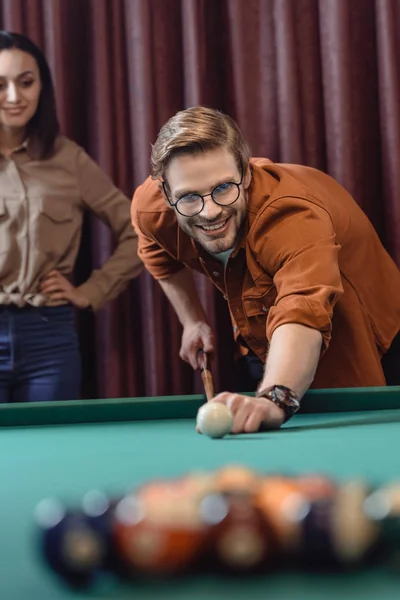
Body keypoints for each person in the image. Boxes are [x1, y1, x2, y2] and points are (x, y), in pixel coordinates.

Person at [131, 106, 400, 433]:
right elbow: (158, 257)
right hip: (261, 327)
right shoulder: (152, 210)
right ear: (164, 192)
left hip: (360, 329)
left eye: (222, 188)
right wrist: (192, 321)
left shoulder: (290, 217)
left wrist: (275, 399)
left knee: (351, 440)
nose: (211, 211)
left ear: (245, 174)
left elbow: (302, 310)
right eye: (189, 197)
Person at [0, 31, 143, 403]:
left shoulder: (69, 159)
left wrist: (91, 290)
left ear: (42, 87)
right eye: (0, 85)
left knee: (50, 455)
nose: (14, 97)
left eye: (26, 82)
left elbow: (139, 232)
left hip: (49, 339)